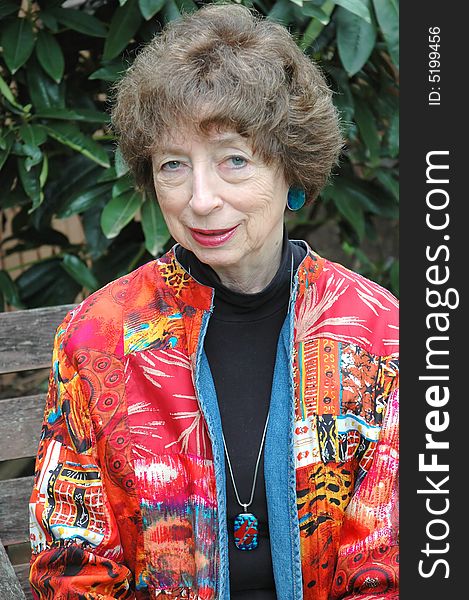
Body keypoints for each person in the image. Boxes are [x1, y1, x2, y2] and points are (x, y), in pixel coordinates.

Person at [28, 4, 399, 599]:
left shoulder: (377, 333)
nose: (201, 200)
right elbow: (73, 568)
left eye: (234, 160)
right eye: (175, 165)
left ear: (292, 171)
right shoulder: (101, 337)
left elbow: (392, 566)